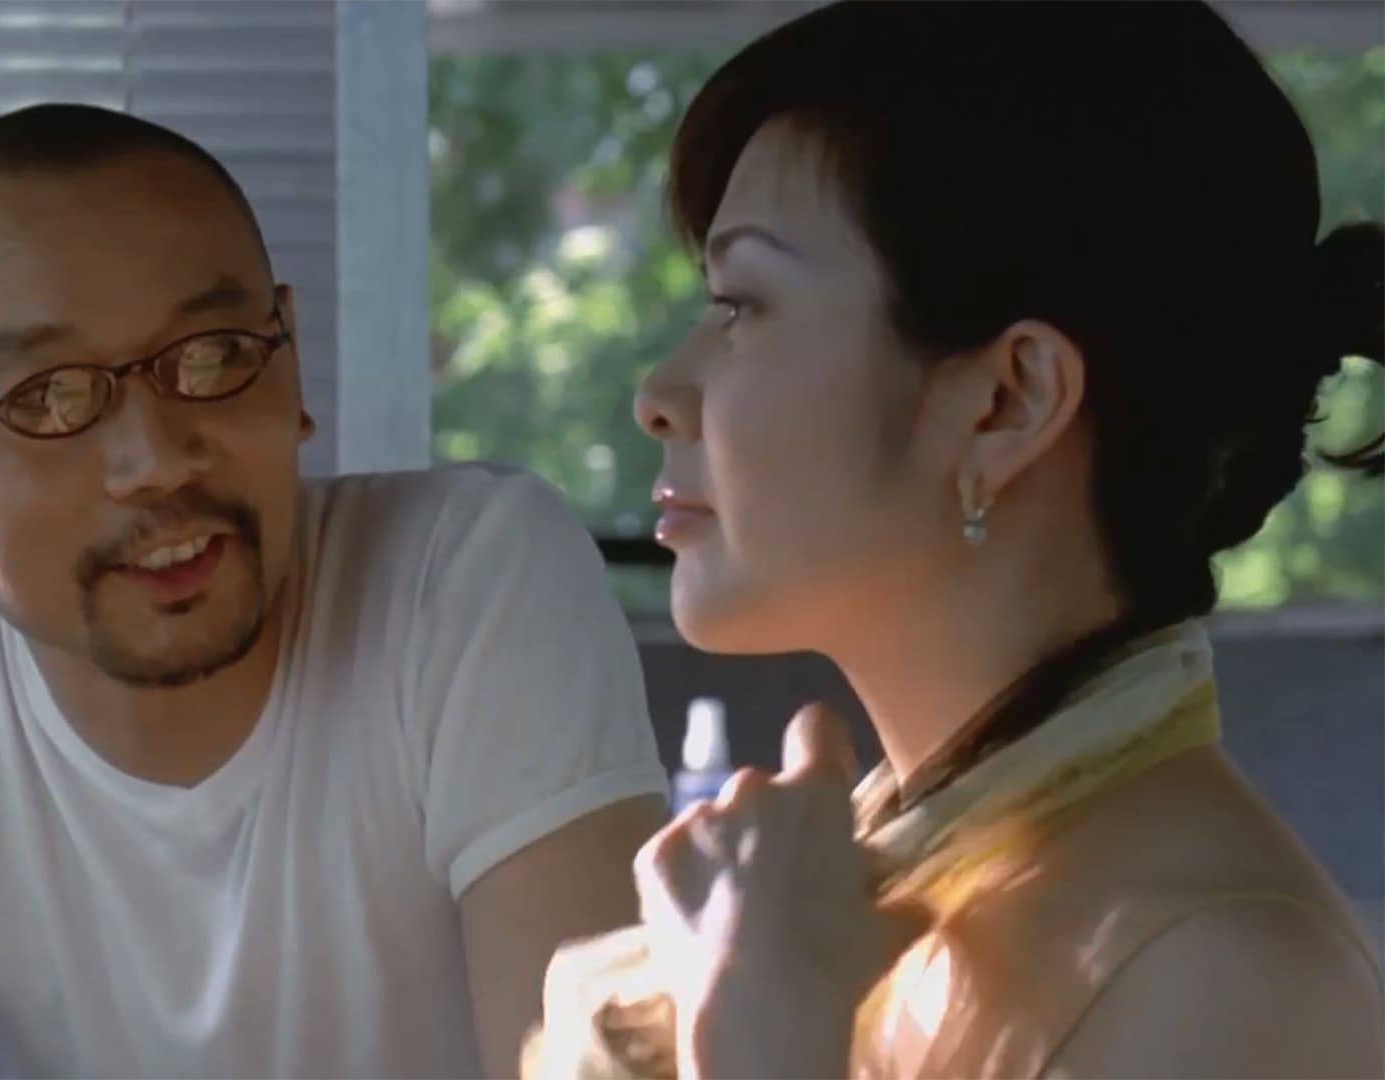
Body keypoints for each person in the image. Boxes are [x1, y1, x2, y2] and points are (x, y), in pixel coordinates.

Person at [0, 103, 670, 1079]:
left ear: (290, 362)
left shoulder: (466, 580)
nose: (154, 459)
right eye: (47, 398)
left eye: (210, 357)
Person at [528, 2, 1385, 1077]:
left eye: (742, 305)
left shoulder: (1231, 979)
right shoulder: (848, 896)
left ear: (1007, 402)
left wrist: (759, 1030)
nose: (660, 393)